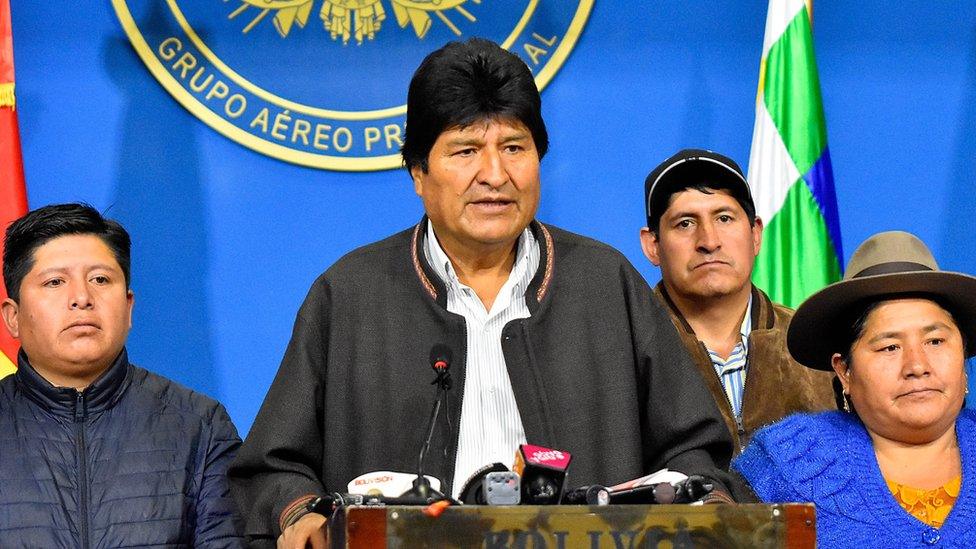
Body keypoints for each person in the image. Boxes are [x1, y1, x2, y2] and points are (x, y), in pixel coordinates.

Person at [230, 38, 736, 547]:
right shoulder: (350, 295)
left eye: (514, 148)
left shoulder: (605, 283)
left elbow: (693, 451)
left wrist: (705, 501)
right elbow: (273, 468)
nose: (494, 175)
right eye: (466, 150)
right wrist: (300, 514)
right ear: (418, 174)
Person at [0, 203, 245, 548]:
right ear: (12, 316)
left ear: (129, 307)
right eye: (55, 282)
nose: (82, 298)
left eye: (100, 279)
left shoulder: (200, 427)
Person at [734, 231, 976, 547]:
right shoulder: (786, 461)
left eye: (935, 341)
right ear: (844, 371)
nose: (917, 366)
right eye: (890, 347)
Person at [639, 149, 836, 452]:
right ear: (652, 245)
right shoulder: (624, 353)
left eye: (724, 218)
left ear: (756, 234)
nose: (709, 241)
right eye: (685, 223)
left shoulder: (814, 347)